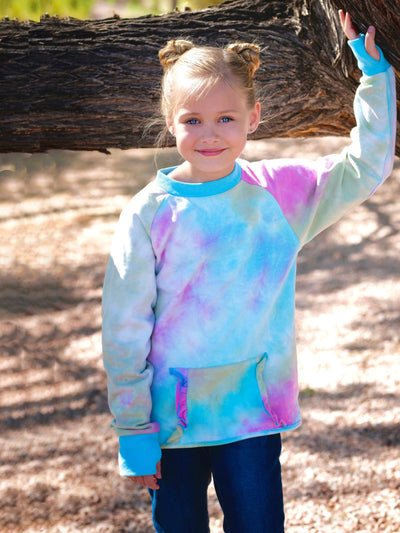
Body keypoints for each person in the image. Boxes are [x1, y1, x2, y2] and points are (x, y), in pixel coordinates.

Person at [102, 10, 396, 533]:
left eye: (226, 118)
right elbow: (124, 329)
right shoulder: (149, 212)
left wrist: (374, 78)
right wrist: (133, 429)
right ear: (170, 121)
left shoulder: (278, 195)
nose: (209, 135)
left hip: (252, 415)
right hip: (171, 425)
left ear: (254, 117)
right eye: (192, 120)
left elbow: (363, 168)